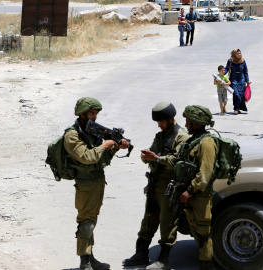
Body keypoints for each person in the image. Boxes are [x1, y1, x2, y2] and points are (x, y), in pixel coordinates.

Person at [64, 97, 130, 270]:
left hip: (97, 181)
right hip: (85, 184)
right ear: (83, 113)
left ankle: (89, 257)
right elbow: (87, 157)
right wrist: (105, 145)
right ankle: (84, 263)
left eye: (96, 114)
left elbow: (101, 160)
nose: (95, 117)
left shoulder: (91, 131)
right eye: (92, 113)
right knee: (86, 222)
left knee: (91, 220)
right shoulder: (72, 135)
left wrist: (115, 147)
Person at [122, 102, 189, 270]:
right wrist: (147, 156)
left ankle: (163, 261)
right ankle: (141, 254)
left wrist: (157, 159)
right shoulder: (160, 136)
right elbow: (152, 152)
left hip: (169, 186)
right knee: (148, 220)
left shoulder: (182, 136)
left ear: (170, 119)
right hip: (155, 182)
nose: (159, 125)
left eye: (161, 121)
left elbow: (178, 161)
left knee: (167, 222)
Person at [178, 105, 218, 270]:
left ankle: (206, 265)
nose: (186, 125)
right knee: (195, 229)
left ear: (197, 123)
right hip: (192, 195)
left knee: (203, 234)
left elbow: (204, 175)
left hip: (200, 196)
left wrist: (190, 190)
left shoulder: (207, 143)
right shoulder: (194, 140)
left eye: (188, 121)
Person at [225, 48, 251, 115]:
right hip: (233, 79)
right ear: (234, 54)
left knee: (241, 95)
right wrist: (222, 74)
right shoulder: (230, 60)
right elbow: (227, 69)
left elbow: (245, 71)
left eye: (240, 53)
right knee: (236, 94)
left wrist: (247, 80)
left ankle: (237, 109)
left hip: (241, 80)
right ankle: (236, 109)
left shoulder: (242, 61)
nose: (239, 54)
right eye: (238, 53)